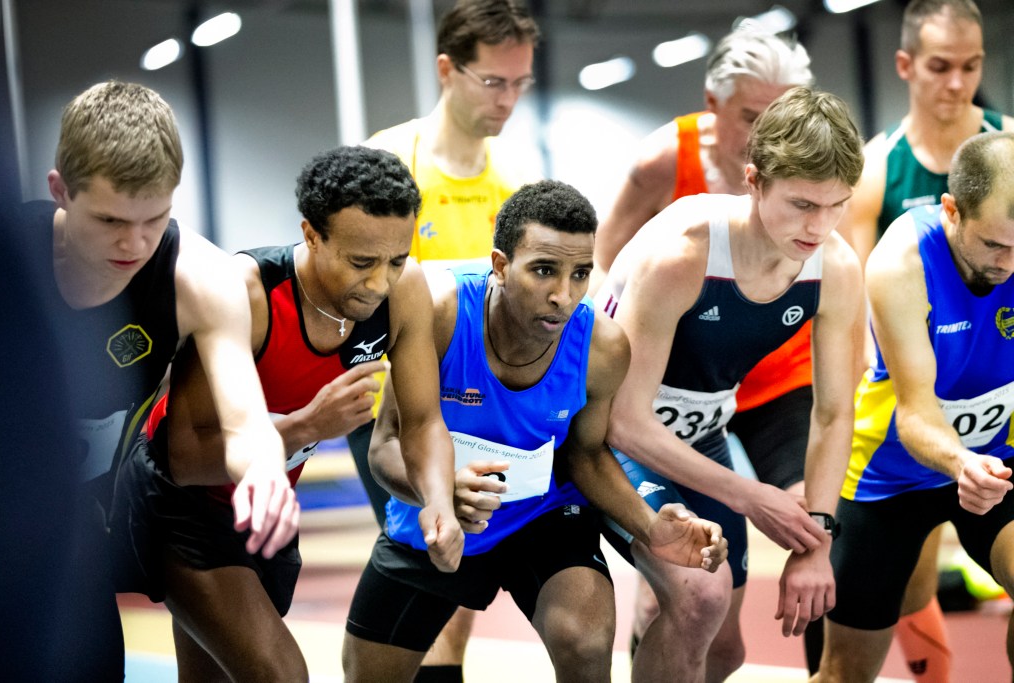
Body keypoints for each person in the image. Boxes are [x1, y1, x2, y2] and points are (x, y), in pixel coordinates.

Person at [342, 180, 728, 683]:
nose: (562, 295)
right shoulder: (440, 313)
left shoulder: (603, 347)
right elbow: (387, 446)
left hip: (543, 514)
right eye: (544, 270)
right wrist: (441, 493)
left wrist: (651, 527)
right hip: (435, 515)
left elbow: (586, 455)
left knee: (586, 643)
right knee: (366, 676)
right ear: (501, 266)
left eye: (580, 274)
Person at [113, 146, 464, 681]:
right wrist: (308, 427)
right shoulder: (247, 293)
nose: (380, 283)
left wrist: (438, 500)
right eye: (362, 263)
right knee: (281, 674)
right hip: (178, 504)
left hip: (264, 504)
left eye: (396, 259)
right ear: (312, 234)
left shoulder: (404, 290)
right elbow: (183, 459)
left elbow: (421, 423)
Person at [26, 80, 296, 680]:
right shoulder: (8, 267)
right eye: (109, 220)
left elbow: (245, 419)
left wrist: (263, 471)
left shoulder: (201, 278)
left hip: (78, 524)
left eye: (156, 218)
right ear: (59, 192)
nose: (135, 242)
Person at [597, 87, 865, 681]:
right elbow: (625, 420)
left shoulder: (836, 267)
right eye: (801, 204)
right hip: (606, 440)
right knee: (701, 599)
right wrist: (754, 495)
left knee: (724, 650)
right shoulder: (683, 254)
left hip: (700, 434)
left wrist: (815, 540)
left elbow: (832, 414)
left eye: (836, 205)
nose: (818, 227)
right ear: (753, 180)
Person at [362, 2, 541, 678]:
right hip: (393, 407)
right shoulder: (390, 161)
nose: (510, 99)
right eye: (495, 82)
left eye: (521, 83)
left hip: (477, 407)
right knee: (432, 592)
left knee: (454, 608)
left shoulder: (516, 185)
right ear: (447, 68)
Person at [837, 2, 1014, 679]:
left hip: (993, 431)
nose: (956, 83)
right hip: (900, 429)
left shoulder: (1008, 150)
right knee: (901, 592)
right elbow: (853, 314)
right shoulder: (880, 172)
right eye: (940, 66)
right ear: (907, 66)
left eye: (972, 66)